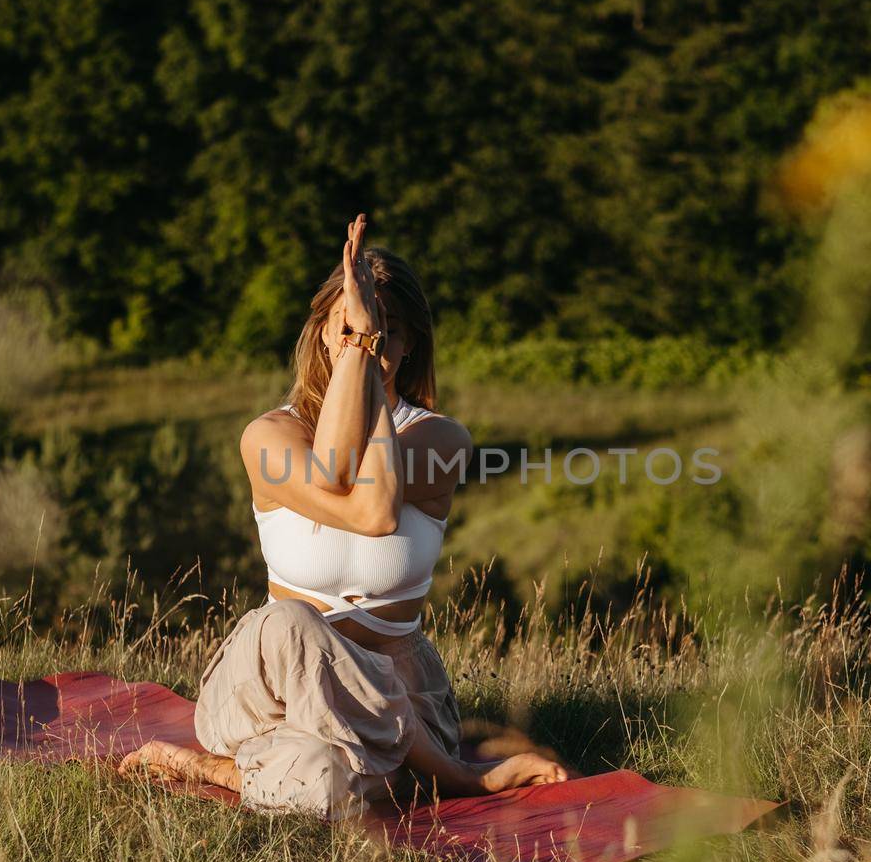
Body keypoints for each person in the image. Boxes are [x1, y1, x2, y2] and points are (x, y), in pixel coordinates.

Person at [118, 213, 568, 818]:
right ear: (323, 335)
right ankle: (452, 776)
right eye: (350, 329)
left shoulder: (441, 440)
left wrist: (367, 375)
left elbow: (375, 508)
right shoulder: (270, 436)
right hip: (266, 692)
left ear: (409, 345)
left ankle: (224, 770)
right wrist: (362, 352)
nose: (369, 343)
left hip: (398, 694)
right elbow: (341, 482)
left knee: (328, 782)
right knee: (294, 622)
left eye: (387, 332)